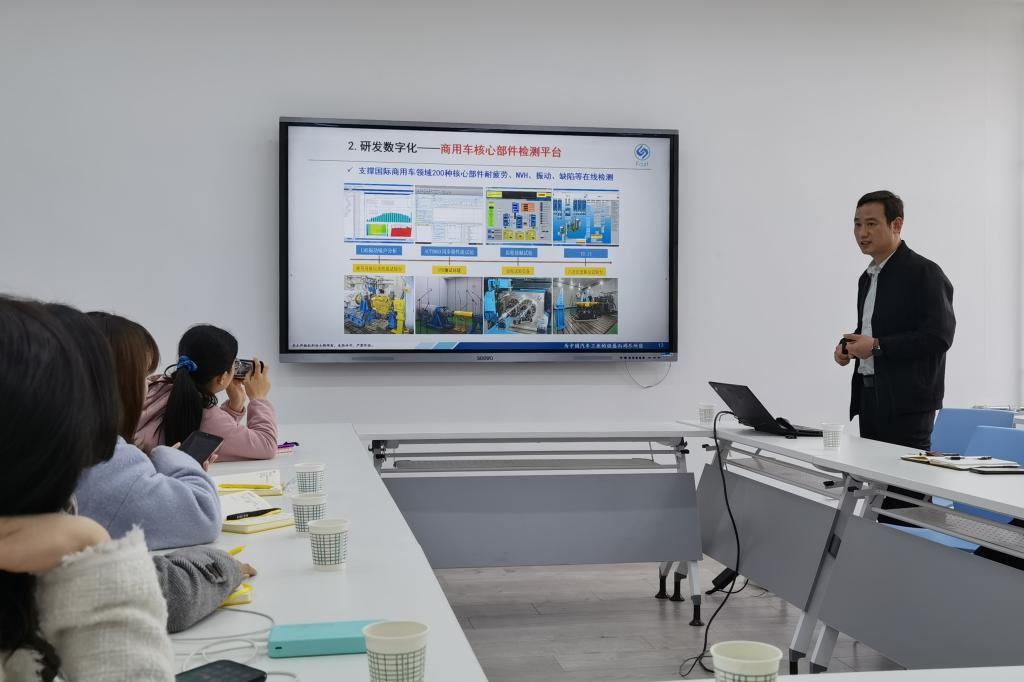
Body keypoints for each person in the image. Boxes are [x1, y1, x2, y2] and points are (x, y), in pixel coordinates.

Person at [0, 297, 173, 680]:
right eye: (146, 377)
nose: (152, 387)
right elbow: (199, 512)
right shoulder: (112, 463)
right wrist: (90, 543)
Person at [834, 190, 955, 517]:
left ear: (896, 224)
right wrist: (847, 347)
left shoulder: (925, 273)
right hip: (870, 398)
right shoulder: (868, 277)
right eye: (857, 224)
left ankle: (916, 548)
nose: (862, 233)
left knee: (907, 502)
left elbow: (939, 336)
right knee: (877, 494)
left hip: (908, 405)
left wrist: (876, 346)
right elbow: (873, 328)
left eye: (871, 224)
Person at [74, 312, 223, 550]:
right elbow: (203, 516)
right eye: (143, 375)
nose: (148, 384)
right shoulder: (104, 458)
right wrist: (171, 457)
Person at [136, 324, 277, 461]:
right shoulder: (208, 416)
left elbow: (218, 433)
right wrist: (258, 398)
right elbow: (266, 445)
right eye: (234, 364)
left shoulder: (155, 384)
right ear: (222, 377)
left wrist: (233, 408)